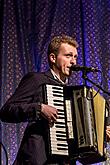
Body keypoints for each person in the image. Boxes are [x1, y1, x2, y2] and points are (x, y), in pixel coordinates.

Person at [0, 35, 78, 165]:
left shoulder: (71, 93)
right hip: (38, 160)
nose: (73, 62)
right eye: (68, 56)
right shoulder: (37, 80)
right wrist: (39, 108)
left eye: (75, 57)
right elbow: (6, 111)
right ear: (53, 58)